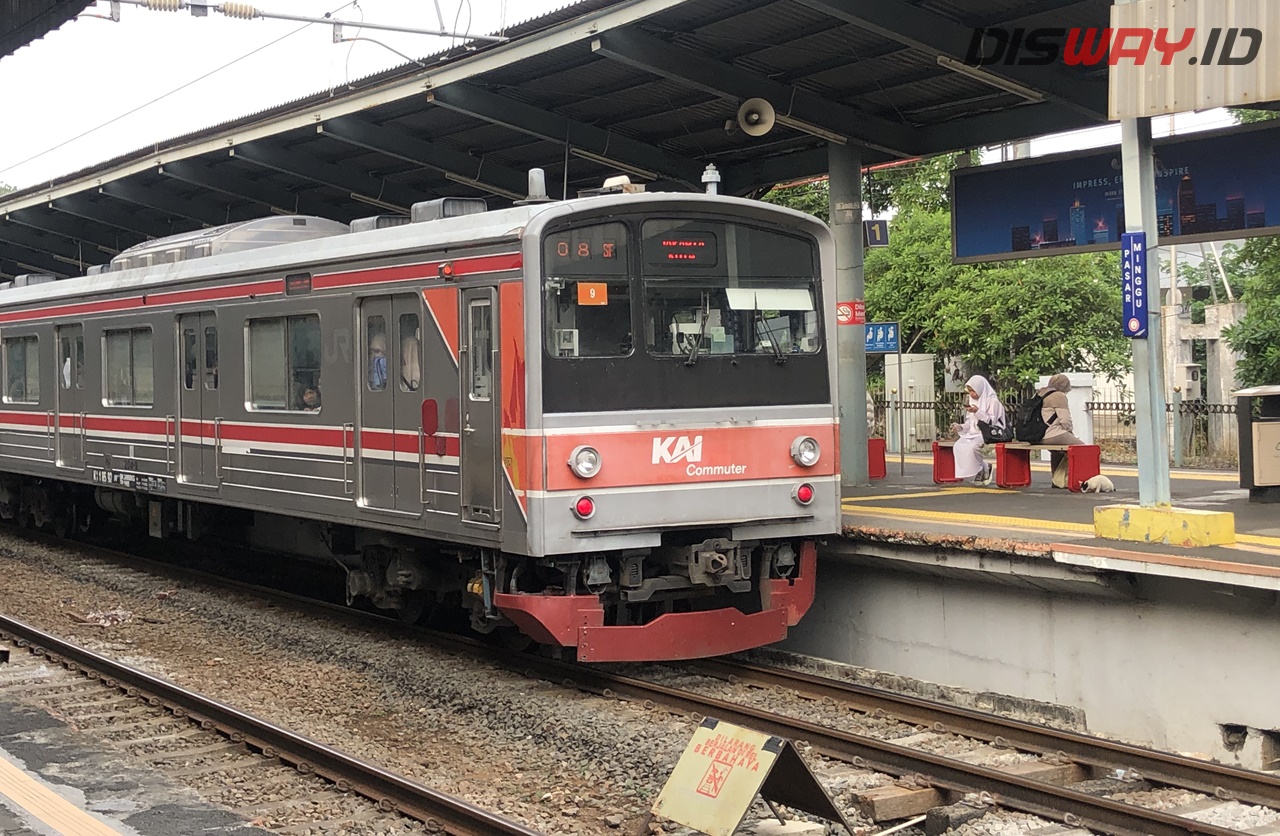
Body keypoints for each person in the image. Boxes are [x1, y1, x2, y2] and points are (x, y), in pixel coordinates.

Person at [953, 375, 1006, 485]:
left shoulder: (993, 402)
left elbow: (991, 422)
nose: (972, 394)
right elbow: (969, 422)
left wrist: (978, 411)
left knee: (973, 447)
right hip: (974, 433)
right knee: (958, 446)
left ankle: (983, 468)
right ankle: (982, 467)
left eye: (973, 391)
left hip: (989, 433)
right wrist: (960, 427)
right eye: (970, 391)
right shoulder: (973, 402)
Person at [1040, 373, 1083, 488]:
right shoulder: (1059, 396)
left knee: (1057, 451)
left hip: (1035, 435)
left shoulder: (1040, 393)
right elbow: (1065, 420)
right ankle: (1075, 480)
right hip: (1051, 434)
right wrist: (1070, 432)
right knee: (1082, 448)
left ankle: (1057, 480)